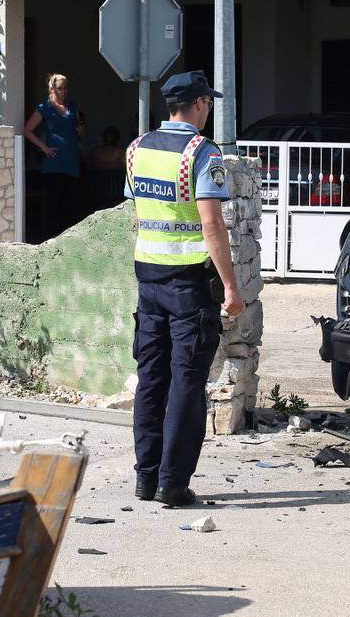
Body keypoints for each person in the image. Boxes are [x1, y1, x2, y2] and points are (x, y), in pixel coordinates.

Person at [126, 70, 245, 507]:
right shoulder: (201, 152)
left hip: (148, 278)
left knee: (151, 378)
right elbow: (211, 224)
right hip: (190, 283)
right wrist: (231, 287)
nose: (209, 109)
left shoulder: (137, 149)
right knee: (186, 383)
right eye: (208, 102)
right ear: (197, 104)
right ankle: (172, 484)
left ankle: (145, 477)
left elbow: (139, 209)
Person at [24, 73, 83, 238]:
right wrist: (43, 147)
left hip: (70, 159)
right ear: (52, 89)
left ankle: (67, 238)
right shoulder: (44, 108)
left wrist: (81, 130)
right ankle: (51, 238)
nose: (63, 91)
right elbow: (27, 130)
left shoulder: (72, 106)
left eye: (65, 88)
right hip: (54, 161)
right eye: (60, 88)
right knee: (54, 202)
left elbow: (78, 127)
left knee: (69, 202)